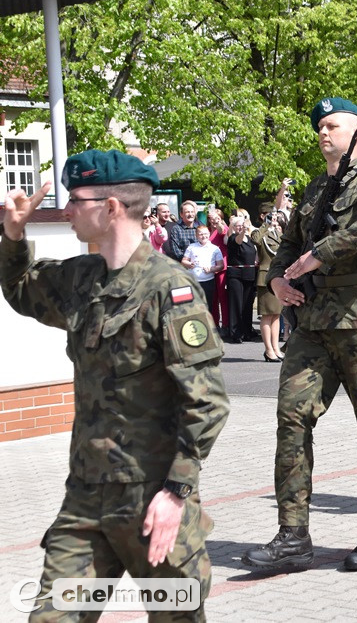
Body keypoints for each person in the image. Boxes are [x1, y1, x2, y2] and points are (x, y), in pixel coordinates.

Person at [1, 149, 229, 620]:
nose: (66, 211)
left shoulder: (170, 289)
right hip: (85, 499)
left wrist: (176, 493)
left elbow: (207, 403)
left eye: (75, 200)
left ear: (110, 208)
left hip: (152, 499)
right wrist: (13, 234)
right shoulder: (82, 277)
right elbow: (23, 289)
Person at [242, 97, 357, 573]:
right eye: (319, 126)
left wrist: (321, 253)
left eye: (332, 125)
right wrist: (276, 279)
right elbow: (289, 242)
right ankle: (293, 534)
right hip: (312, 325)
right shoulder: (314, 189)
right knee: (291, 420)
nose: (322, 132)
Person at [253, 203, 285, 361]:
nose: (274, 219)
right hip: (265, 277)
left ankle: (276, 347)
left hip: (278, 276)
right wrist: (266, 224)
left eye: (275, 216)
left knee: (277, 315)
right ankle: (268, 350)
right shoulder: (261, 233)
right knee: (267, 315)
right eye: (270, 215)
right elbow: (255, 239)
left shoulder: (278, 234)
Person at [223, 216, 258, 344]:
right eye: (237, 225)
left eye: (242, 225)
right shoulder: (233, 238)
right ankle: (236, 333)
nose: (240, 227)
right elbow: (238, 241)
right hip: (236, 275)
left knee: (247, 305)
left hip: (249, 274)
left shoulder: (249, 240)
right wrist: (242, 231)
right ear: (233, 227)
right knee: (236, 304)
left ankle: (247, 331)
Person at [182, 224, 225, 313]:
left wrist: (211, 269)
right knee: (194, 306)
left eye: (205, 234)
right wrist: (189, 264)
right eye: (201, 234)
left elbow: (221, 266)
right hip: (194, 281)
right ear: (196, 235)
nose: (203, 236)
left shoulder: (215, 249)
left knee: (208, 305)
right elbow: (183, 261)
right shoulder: (192, 247)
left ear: (209, 234)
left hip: (208, 282)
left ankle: (208, 325)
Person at [207, 207, 231, 331]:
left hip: (222, 267)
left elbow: (222, 232)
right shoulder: (206, 231)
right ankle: (215, 324)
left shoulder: (223, 228)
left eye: (216, 218)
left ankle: (225, 325)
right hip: (209, 268)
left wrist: (219, 223)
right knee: (213, 298)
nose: (213, 220)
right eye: (211, 218)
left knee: (223, 298)